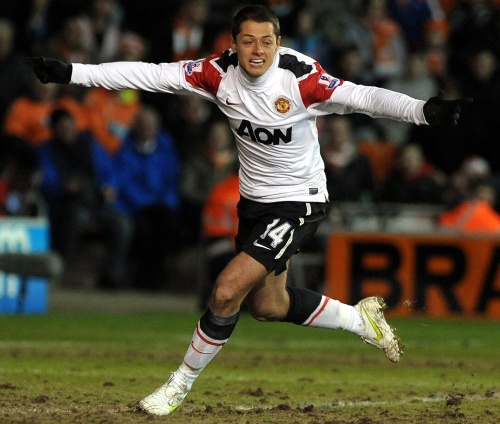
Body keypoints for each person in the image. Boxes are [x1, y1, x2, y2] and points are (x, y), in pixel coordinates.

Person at [28, 4, 472, 416]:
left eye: (266, 41)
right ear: (234, 44)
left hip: (299, 202)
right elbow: (150, 74)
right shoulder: (216, 73)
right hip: (255, 204)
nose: (257, 50)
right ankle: (359, 319)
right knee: (269, 305)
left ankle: (178, 385)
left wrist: (423, 110)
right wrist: (73, 72)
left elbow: (365, 97)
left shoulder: (301, 79)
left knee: (226, 291)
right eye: (247, 41)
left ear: (278, 43)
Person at [37, 108, 132, 290]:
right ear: (54, 129)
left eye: (69, 125)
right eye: (61, 127)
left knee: (123, 224)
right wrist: (63, 187)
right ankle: (59, 273)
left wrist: (109, 187)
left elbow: (110, 171)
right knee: (77, 219)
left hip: (96, 203)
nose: (67, 130)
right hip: (65, 204)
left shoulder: (90, 145)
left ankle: (111, 278)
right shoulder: (47, 150)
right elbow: (45, 181)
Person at [113, 105, 181, 290]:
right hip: (137, 206)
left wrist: (164, 202)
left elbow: (172, 178)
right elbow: (124, 181)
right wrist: (146, 202)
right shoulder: (125, 149)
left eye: (150, 125)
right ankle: (143, 276)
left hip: (162, 204)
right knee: (145, 230)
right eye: (142, 124)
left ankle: (157, 274)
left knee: (168, 226)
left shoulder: (165, 148)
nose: (146, 129)